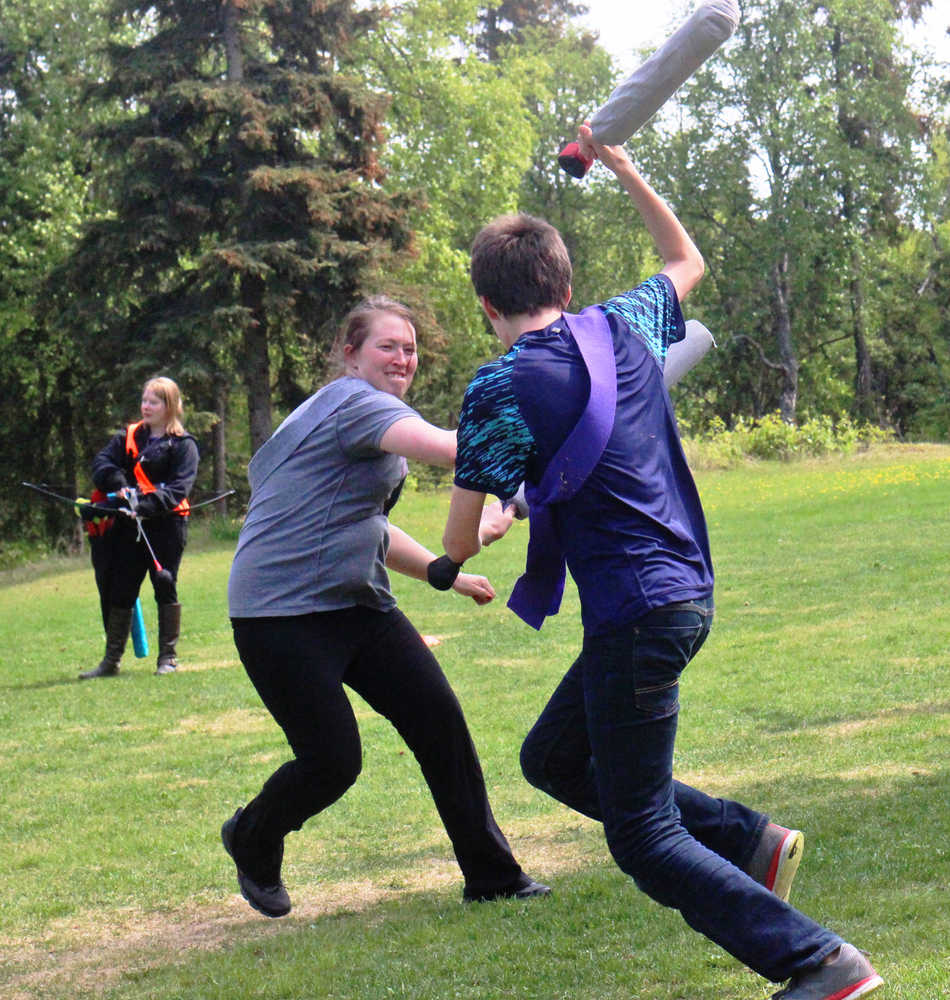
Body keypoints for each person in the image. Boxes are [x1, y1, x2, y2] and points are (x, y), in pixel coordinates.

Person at [437, 125, 883, 1000]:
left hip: (637, 611)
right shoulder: (624, 323)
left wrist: (485, 529)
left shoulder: (495, 389)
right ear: (563, 285)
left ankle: (820, 962)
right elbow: (688, 257)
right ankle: (750, 842)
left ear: (487, 308)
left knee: (640, 834)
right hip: (682, 592)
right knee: (553, 757)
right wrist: (625, 167)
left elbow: (454, 543)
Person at [222, 295, 549, 919]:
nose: (403, 359)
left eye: (410, 349)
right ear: (350, 353)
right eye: (387, 346)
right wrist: (544, 428)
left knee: (438, 721)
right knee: (333, 760)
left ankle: (492, 876)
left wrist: (439, 570)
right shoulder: (353, 403)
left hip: (356, 605)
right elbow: (458, 450)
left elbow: (363, 523)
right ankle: (253, 833)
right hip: (279, 614)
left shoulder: (367, 418)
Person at [80, 376, 198, 680]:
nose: (146, 406)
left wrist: (144, 506)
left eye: (153, 402)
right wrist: (119, 486)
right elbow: (102, 464)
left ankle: (168, 658)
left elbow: (178, 489)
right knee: (121, 588)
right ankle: (111, 661)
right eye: (144, 400)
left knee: (164, 583)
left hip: (167, 526)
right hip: (126, 527)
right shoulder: (127, 437)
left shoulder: (183, 445)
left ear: (169, 406)